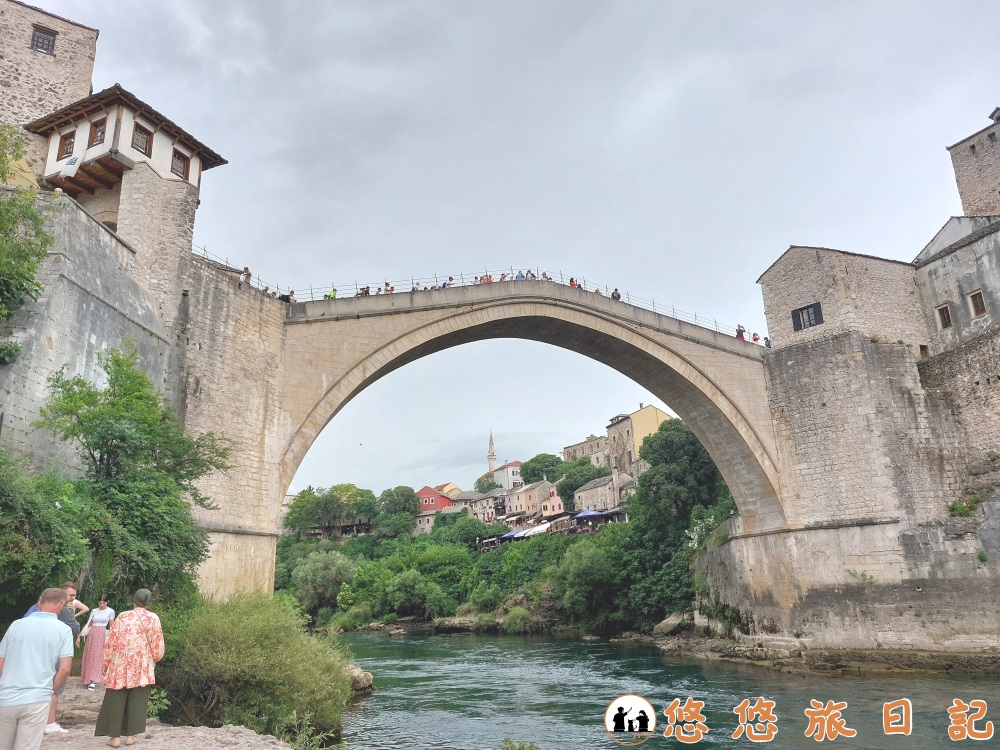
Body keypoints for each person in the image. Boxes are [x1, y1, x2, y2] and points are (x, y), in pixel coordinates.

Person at [0, 588, 74, 750]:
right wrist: (50, 690)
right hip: (37, 698)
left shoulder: (16, 625)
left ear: (39, 603)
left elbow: (1, 661)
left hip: (6, 697)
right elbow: (65, 669)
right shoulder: (64, 630)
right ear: (61, 605)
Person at [95, 589, 164, 749]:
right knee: (137, 700)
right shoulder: (153, 618)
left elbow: (111, 642)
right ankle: (131, 736)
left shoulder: (123, 616)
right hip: (142, 665)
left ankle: (114, 738)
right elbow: (158, 647)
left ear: (134, 600)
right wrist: (153, 658)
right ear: (148, 601)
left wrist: (105, 664)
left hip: (120, 663)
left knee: (116, 699)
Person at [79, 595, 115, 690]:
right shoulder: (94, 610)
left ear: (107, 602)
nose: (102, 605)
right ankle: (87, 677)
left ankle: (93, 679)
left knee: (98, 655)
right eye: (100, 603)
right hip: (92, 633)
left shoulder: (110, 611)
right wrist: (81, 634)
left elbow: (112, 625)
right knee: (90, 654)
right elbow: (89, 623)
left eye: (104, 603)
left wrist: (112, 637)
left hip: (102, 633)